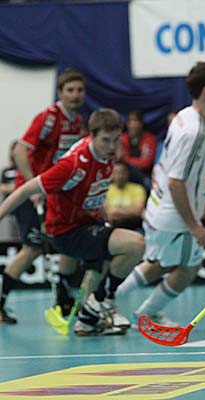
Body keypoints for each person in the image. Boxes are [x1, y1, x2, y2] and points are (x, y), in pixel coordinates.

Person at [0, 108, 145, 335]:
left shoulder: (108, 154)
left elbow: (95, 190)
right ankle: (103, 302)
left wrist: (104, 217)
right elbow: (24, 191)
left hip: (87, 222)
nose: (112, 146)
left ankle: (87, 319)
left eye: (116, 139)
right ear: (91, 135)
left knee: (101, 263)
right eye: (105, 140)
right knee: (135, 245)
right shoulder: (73, 164)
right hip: (66, 230)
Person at [116, 62, 205, 326]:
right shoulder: (194, 132)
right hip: (175, 217)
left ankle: (104, 299)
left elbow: (180, 167)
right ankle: (139, 312)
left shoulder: (184, 117)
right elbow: (176, 182)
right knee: (188, 267)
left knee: (160, 263)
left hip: (160, 209)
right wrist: (195, 226)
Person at [0, 69, 85, 324]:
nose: (75, 95)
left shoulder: (77, 121)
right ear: (60, 93)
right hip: (29, 193)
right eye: (70, 90)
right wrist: (32, 185)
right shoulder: (48, 118)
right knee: (33, 248)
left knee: (69, 240)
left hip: (53, 193)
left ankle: (64, 299)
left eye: (80, 90)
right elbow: (19, 151)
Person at [104, 161, 146, 230]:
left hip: (133, 226)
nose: (119, 176)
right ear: (111, 174)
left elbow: (138, 211)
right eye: (116, 173)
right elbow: (106, 212)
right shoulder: (105, 189)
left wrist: (115, 211)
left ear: (127, 174)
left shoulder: (138, 188)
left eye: (122, 173)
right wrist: (129, 211)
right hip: (112, 226)